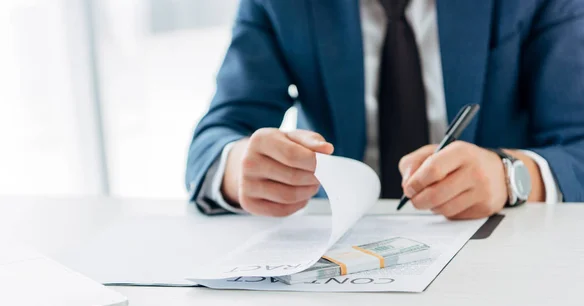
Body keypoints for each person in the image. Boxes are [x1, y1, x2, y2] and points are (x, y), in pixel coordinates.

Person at [186, 0, 584, 219]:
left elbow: (577, 143)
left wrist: (509, 176)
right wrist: (240, 169)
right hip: (337, 264)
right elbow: (215, 139)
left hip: (498, 251)